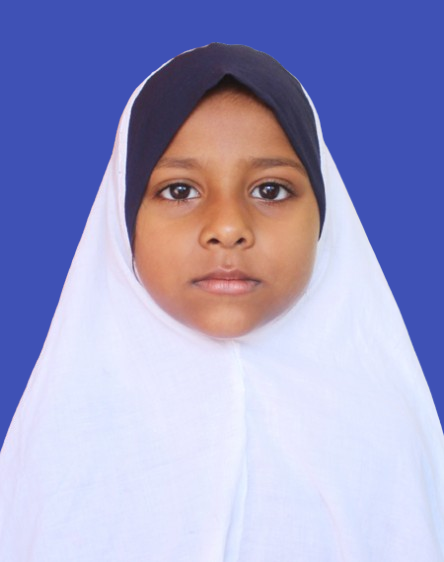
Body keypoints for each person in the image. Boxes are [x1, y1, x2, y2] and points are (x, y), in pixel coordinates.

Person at [0, 43, 443, 561]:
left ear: (325, 216)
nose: (228, 228)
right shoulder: (65, 443)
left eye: (271, 190)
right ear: (123, 218)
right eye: (180, 190)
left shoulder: (383, 436)